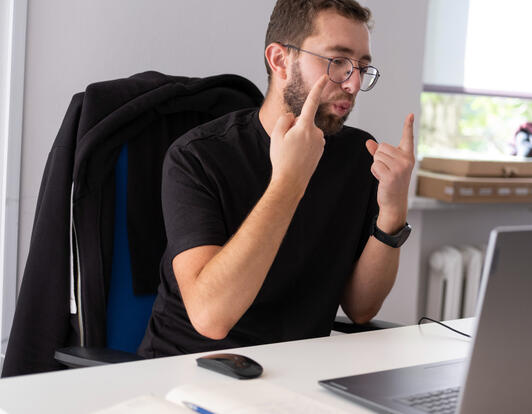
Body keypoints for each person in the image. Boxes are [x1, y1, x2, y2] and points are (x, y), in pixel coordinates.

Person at [138, 0, 415, 357]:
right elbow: (211, 317)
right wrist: (289, 181)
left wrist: (392, 213)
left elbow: (361, 309)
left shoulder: (359, 155)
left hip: (295, 373)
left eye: (362, 67)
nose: (354, 84)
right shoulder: (197, 157)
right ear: (280, 60)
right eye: (338, 62)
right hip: (189, 369)